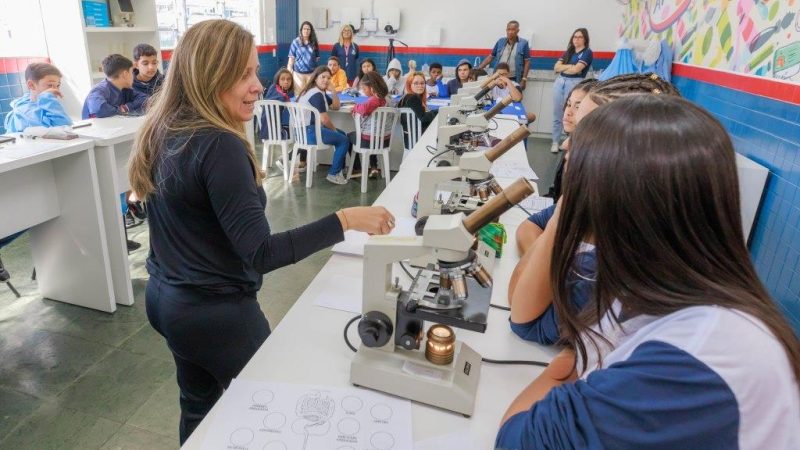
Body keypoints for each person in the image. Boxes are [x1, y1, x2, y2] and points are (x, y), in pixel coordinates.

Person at [127, 20, 395, 445]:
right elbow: (262, 253)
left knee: (197, 405)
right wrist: (346, 220)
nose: (258, 85)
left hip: (166, 301)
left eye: (255, 71)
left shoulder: (164, 128)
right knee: (277, 414)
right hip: (215, 314)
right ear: (210, 76)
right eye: (244, 74)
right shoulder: (220, 146)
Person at [496, 94, 800, 449]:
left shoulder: (699, 361)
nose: (564, 147)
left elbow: (518, 439)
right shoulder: (643, 285)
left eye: (577, 172)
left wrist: (570, 368)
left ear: (617, 196)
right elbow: (532, 327)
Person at [508, 74, 679, 346]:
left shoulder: (601, 269)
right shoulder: (602, 207)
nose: (566, 143)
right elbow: (530, 227)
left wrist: (553, 241)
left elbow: (525, 322)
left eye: (584, 134)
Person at [542, 78, 597, 200]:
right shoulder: (572, 142)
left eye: (578, 107)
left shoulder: (592, 157)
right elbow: (557, 192)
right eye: (568, 104)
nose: (568, 112)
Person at [296, 66, 351, 185]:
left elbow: (336, 106)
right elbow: (325, 120)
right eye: (323, 77)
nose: (326, 80)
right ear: (316, 78)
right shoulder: (316, 94)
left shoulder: (317, 91)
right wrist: (334, 130)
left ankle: (339, 170)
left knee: (342, 134)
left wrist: (334, 91)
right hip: (309, 132)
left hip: (304, 131)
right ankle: (334, 174)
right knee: (344, 140)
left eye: (328, 78)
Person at [551, 27, 593, 153]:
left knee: (571, 112)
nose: (576, 39)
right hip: (560, 82)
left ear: (585, 39)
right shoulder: (569, 52)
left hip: (574, 83)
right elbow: (556, 67)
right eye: (575, 37)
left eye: (580, 37)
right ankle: (555, 141)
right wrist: (570, 66)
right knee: (557, 113)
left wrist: (565, 68)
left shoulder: (587, 52)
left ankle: (570, 142)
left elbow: (577, 70)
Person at [4, 62, 71, 132]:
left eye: (58, 85)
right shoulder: (25, 114)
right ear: (31, 85)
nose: (55, 90)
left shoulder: (46, 104)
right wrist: (47, 98)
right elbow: (65, 129)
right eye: (50, 85)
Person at [349, 71, 391, 178]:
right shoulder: (387, 98)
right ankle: (373, 167)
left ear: (372, 88)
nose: (363, 91)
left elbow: (363, 109)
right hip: (385, 140)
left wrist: (355, 107)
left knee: (348, 137)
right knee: (373, 135)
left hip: (369, 140)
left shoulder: (375, 100)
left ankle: (357, 169)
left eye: (364, 89)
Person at [262, 68, 303, 172]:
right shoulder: (280, 94)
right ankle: (288, 160)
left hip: (267, 129)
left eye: (289, 79)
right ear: (278, 80)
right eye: (283, 79)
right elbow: (287, 102)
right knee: (303, 134)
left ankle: (301, 161)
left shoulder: (274, 89)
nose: (286, 82)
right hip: (275, 131)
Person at [82, 54, 147, 119]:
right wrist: (120, 110)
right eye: (131, 72)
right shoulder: (99, 90)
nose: (133, 76)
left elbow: (145, 98)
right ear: (125, 74)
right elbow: (98, 109)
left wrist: (126, 107)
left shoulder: (126, 89)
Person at [477, 20, 530, 89]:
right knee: (496, 95)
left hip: (514, 78)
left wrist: (524, 79)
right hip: (499, 77)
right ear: (506, 30)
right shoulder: (500, 41)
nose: (510, 32)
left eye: (513, 30)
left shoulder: (523, 43)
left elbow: (527, 62)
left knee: (514, 95)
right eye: (508, 29)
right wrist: (479, 68)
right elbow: (491, 56)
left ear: (518, 31)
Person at [398, 71, 438, 148]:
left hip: (410, 139)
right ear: (410, 85)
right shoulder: (412, 98)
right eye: (416, 83)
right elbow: (423, 118)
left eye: (422, 83)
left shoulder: (407, 97)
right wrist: (438, 111)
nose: (420, 86)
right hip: (418, 140)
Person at [287, 21, 320, 95]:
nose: (306, 31)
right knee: (299, 95)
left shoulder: (314, 43)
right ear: (301, 30)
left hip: (311, 74)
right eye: (304, 29)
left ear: (311, 31)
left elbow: (317, 59)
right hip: (298, 74)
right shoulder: (295, 42)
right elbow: (291, 60)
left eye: (308, 29)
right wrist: (289, 74)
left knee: (310, 94)